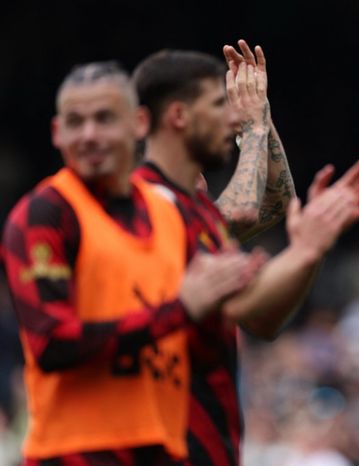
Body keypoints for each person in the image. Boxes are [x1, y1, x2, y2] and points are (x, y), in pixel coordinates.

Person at [131, 41, 359, 465]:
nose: (230, 117)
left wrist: (261, 115)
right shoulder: (147, 200)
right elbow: (246, 210)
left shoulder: (190, 199)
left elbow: (273, 202)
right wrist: (254, 130)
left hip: (204, 435)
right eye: (217, 105)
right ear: (178, 117)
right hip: (158, 438)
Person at [2, 61, 263, 465]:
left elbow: (214, 327)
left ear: (139, 124)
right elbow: (52, 343)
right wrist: (180, 310)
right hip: (74, 454)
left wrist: (303, 253)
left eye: (104, 119)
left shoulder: (167, 215)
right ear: (57, 133)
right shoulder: (45, 213)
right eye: (75, 122)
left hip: (162, 448)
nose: (89, 135)